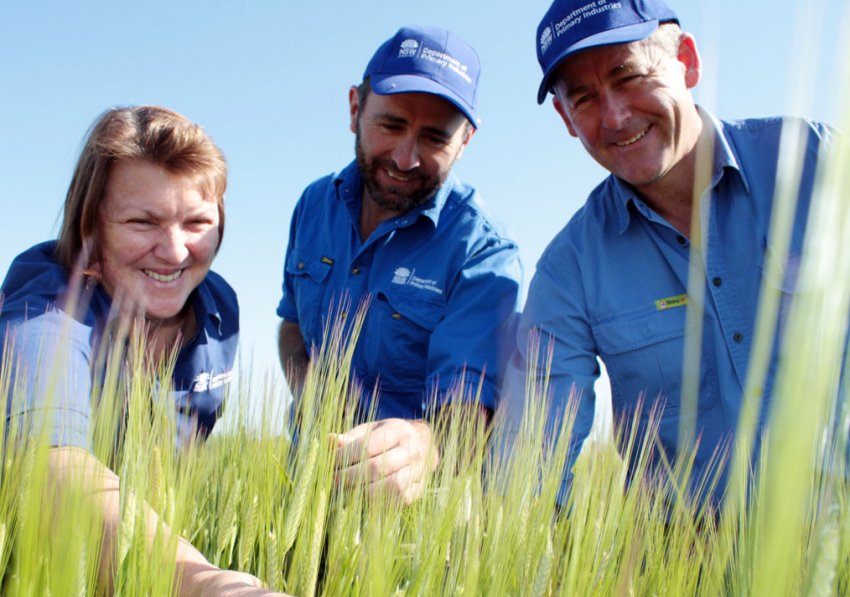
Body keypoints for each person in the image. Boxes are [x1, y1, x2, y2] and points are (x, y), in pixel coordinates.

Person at [0, 106, 369, 597]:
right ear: (90, 226)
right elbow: (48, 467)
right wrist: (189, 594)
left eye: (196, 223)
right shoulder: (45, 306)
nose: (174, 252)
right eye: (141, 223)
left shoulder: (220, 309)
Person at [503, 0, 832, 506]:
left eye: (630, 76)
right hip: (695, 556)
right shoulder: (568, 271)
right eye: (584, 99)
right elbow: (529, 466)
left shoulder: (820, 165)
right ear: (566, 118)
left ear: (687, 62)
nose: (615, 116)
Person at [277, 26, 522, 503]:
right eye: (390, 125)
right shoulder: (313, 206)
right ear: (355, 109)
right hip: (299, 498)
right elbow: (291, 328)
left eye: (434, 138)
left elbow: (468, 411)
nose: (406, 158)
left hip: (408, 524)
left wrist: (422, 448)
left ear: (465, 140)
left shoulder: (484, 251)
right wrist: (307, 388)